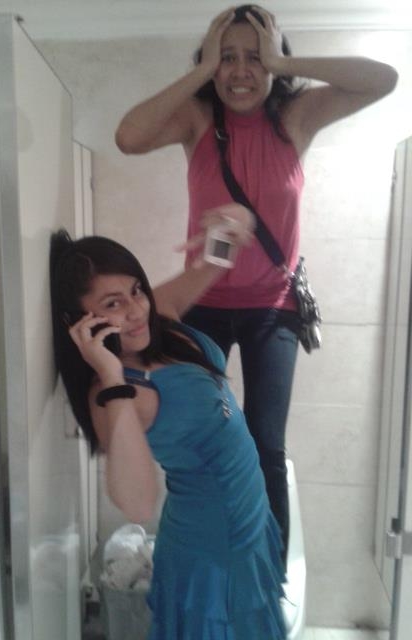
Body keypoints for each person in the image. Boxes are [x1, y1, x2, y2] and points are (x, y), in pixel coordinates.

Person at [114, 4, 398, 562]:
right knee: (197, 436)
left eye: (255, 58)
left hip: (274, 307)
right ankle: (202, 550)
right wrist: (202, 70)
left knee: (265, 441)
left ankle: (268, 573)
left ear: (272, 63)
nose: (241, 71)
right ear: (211, 63)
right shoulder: (198, 120)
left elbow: (383, 79)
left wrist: (284, 62)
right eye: (228, 58)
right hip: (202, 304)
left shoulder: (294, 118)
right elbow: (127, 136)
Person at [49, 203, 288, 639]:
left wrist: (233, 223)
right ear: (81, 323)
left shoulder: (156, 320)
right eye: (112, 304)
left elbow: (216, 260)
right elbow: (139, 505)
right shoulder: (115, 393)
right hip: (215, 551)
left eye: (136, 290)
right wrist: (111, 376)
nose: (136, 310)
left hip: (249, 525)